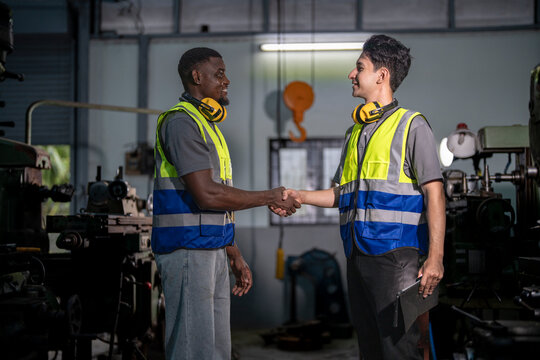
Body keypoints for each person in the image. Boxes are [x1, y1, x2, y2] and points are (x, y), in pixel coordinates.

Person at [276, 35, 445, 359]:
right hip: (357, 256)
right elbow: (343, 194)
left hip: (396, 258)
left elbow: (434, 193)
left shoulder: (412, 125)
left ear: (382, 75)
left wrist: (435, 257)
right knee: (369, 349)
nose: (351, 75)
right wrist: (300, 196)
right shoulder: (355, 133)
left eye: (359, 68)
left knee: (397, 350)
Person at [151, 47, 299, 360]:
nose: (226, 80)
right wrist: (268, 196)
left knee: (216, 350)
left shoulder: (207, 127)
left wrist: (233, 253)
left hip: (210, 251)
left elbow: (216, 204)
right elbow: (207, 194)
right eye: (219, 74)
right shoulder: (181, 124)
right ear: (196, 76)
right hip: (188, 252)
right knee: (194, 350)